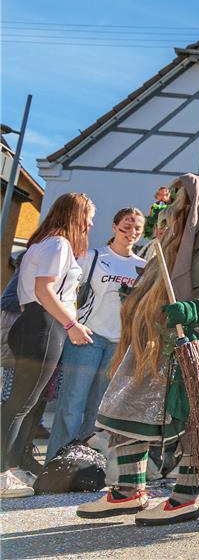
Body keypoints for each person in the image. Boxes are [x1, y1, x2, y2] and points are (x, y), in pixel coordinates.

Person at [78, 174, 199, 524]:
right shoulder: (179, 237)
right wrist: (141, 296)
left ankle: (185, 498)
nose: (172, 204)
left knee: (196, 421)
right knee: (125, 407)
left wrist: (193, 310)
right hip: (164, 340)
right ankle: (129, 491)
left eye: (179, 198)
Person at [1, 193, 96, 498]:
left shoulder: (43, 243)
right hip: (42, 327)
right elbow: (45, 289)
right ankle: (2, 475)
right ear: (75, 216)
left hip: (35, 325)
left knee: (26, 404)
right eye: (88, 216)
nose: (91, 223)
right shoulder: (59, 244)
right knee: (19, 405)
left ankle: (12, 468)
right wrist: (71, 325)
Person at [47, 207, 146, 461]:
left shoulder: (142, 267)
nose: (131, 232)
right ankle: (57, 463)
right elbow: (67, 291)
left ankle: (84, 464)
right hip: (87, 338)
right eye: (126, 226)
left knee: (99, 411)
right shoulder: (93, 256)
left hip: (118, 344)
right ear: (114, 227)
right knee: (71, 404)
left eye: (137, 228)